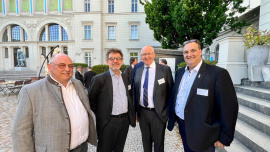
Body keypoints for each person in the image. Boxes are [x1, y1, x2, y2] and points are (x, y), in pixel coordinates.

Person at [11, 54, 97, 152]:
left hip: (82, 147)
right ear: (49, 67)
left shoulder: (77, 84)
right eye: (62, 65)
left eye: (70, 66)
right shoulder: (31, 91)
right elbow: (20, 131)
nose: (67, 69)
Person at [167, 39, 238, 152]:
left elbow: (228, 107)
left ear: (200, 51)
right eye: (186, 52)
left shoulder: (217, 74)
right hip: (182, 126)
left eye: (193, 50)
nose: (189, 54)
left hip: (204, 133)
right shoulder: (180, 72)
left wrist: (225, 137)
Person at [88, 48, 136, 152]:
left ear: (122, 61)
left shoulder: (126, 77)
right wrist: (103, 114)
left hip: (124, 121)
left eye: (118, 58)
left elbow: (129, 96)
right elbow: (91, 101)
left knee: (119, 148)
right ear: (107, 61)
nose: (115, 61)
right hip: (108, 122)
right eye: (112, 58)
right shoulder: (99, 79)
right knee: (104, 149)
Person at [133, 46, 174, 152]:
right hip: (142, 112)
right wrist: (136, 111)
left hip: (158, 113)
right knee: (145, 142)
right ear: (141, 57)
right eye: (143, 54)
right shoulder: (138, 70)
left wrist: (167, 112)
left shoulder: (165, 70)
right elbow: (135, 92)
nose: (146, 56)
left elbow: (171, 93)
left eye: (149, 53)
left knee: (158, 144)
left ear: (154, 55)